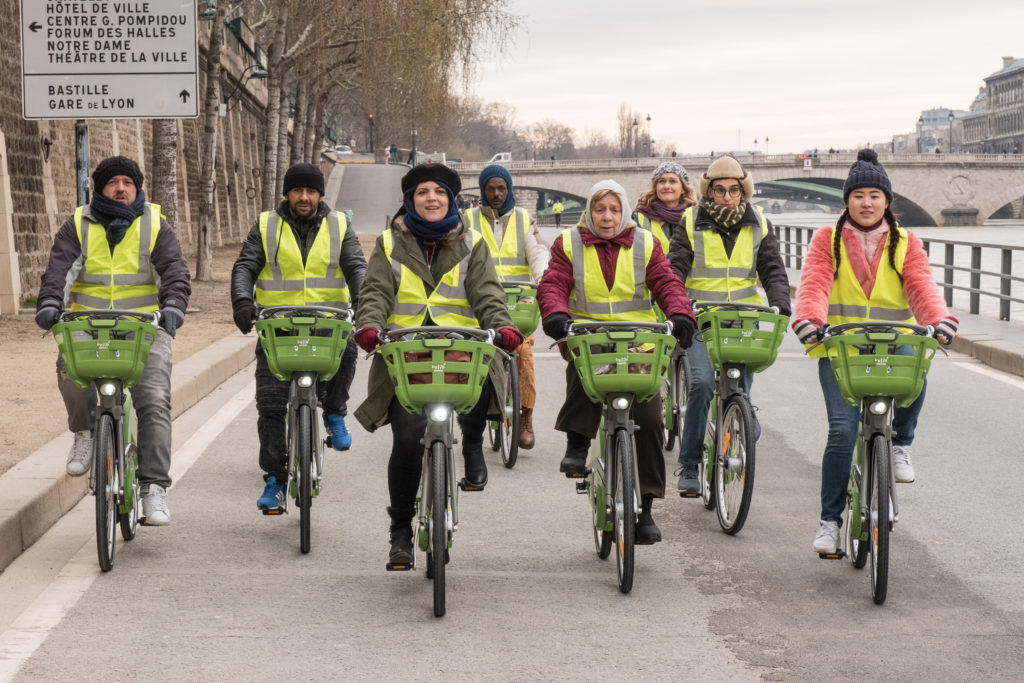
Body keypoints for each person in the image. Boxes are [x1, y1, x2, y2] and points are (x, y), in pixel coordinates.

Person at [352, 163, 522, 565]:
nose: (431, 198)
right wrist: (370, 325)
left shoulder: (474, 243)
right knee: (408, 437)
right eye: (422, 192)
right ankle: (399, 531)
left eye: (439, 192)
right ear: (410, 200)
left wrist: (502, 326)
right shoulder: (390, 243)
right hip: (405, 356)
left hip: (461, 352)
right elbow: (375, 290)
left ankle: (474, 444)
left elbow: (488, 295)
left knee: (483, 381)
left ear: (452, 199)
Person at [792, 149, 958, 554]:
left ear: (887, 201)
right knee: (842, 432)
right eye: (858, 195)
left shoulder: (906, 242)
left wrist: (940, 321)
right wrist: (809, 321)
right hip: (841, 348)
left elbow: (921, 287)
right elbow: (815, 283)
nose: (866, 203)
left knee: (918, 360)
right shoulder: (826, 241)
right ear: (846, 200)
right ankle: (829, 521)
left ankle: (900, 441)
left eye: (874, 195)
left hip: (892, 340)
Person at [34, 155, 191, 526]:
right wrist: (50, 303)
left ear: (137, 188)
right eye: (112, 183)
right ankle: (85, 432)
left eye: (128, 183)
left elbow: (174, 271)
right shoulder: (78, 223)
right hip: (88, 324)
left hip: (144, 328)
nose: (121, 188)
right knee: (69, 371)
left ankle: (154, 488)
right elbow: (59, 269)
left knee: (153, 399)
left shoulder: (155, 224)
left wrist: (173, 306)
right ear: (99, 189)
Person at [538, 180, 696, 544]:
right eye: (599, 209)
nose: (607, 217)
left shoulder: (645, 242)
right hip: (588, 337)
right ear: (589, 212)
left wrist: (680, 312)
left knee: (651, 419)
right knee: (582, 371)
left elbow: (666, 282)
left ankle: (647, 509)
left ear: (623, 211)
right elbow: (553, 284)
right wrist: (556, 315)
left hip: (638, 342)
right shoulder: (568, 243)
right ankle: (577, 442)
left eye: (613, 210)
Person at [230, 163, 366, 512]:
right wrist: (243, 301)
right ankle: (275, 479)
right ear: (287, 193)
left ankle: (334, 412)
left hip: (328, 325)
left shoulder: (340, 225)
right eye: (297, 190)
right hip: (279, 327)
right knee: (271, 405)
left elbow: (356, 268)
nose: (304, 197)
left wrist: (365, 306)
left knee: (349, 353)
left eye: (311, 191)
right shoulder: (266, 225)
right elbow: (246, 265)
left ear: (321, 194)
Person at [668, 155, 792, 495]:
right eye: (720, 190)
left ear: (743, 191)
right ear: (708, 192)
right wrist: (677, 306)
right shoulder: (690, 220)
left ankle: (742, 408)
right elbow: (675, 267)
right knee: (703, 385)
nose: (727, 197)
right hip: (700, 319)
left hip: (742, 318)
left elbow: (772, 269)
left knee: (740, 385)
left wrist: (781, 303)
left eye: (734, 190)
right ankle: (690, 463)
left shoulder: (760, 223)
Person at [463, 164, 550, 449]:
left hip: (518, 302)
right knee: (475, 355)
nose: (497, 194)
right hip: (479, 302)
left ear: (509, 189)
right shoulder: (468, 220)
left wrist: (545, 282)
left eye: (502, 188)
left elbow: (537, 254)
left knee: (523, 353)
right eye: (491, 189)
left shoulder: (525, 219)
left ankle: (525, 416)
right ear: (483, 191)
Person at [633, 161, 698, 255]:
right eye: (662, 181)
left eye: (673, 181)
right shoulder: (639, 218)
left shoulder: (695, 217)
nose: (666, 186)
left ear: (683, 189)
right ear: (655, 187)